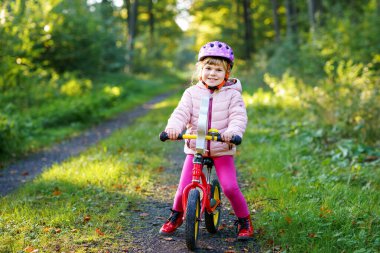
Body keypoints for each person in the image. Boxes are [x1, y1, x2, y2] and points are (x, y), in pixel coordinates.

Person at [159, 41, 253, 240]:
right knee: (183, 187)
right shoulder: (191, 93)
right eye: (208, 68)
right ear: (200, 70)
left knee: (229, 187)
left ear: (227, 72)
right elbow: (180, 113)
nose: (212, 73)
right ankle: (176, 215)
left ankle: (244, 220)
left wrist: (232, 132)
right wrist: (174, 128)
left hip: (221, 148)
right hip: (196, 149)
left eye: (218, 69)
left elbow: (238, 117)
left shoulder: (232, 95)